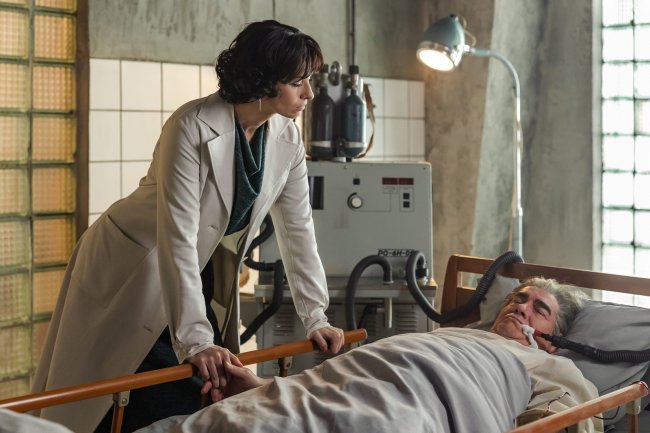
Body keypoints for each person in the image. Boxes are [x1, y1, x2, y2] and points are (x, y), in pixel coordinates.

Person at [31, 20, 344, 433]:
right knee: (111, 395)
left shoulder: (285, 138)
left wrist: (316, 316)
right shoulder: (191, 126)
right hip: (130, 268)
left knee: (199, 389)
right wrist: (197, 341)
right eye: (298, 82)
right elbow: (177, 234)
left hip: (188, 273)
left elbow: (299, 230)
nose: (309, 94)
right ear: (264, 80)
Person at [131, 277, 601, 433]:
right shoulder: (452, 335)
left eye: (538, 309)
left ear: (553, 339)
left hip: (415, 406)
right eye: (519, 297)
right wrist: (263, 385)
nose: (521, 307)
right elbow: (351, 374)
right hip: (332, 386)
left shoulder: (554, 365)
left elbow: (571, 421)